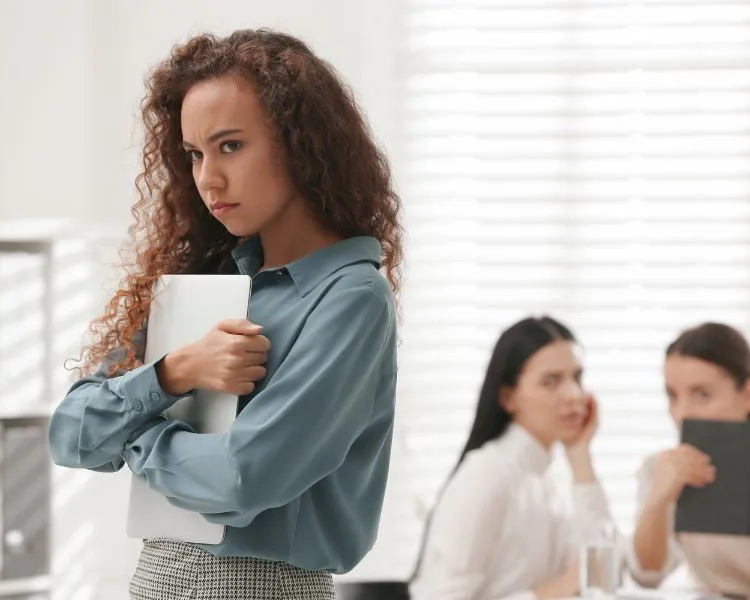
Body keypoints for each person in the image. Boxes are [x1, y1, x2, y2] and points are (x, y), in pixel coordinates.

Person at [47, 29, 402, 600]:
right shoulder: (203, 282)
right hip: (156, 580)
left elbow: (242, 478)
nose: (208, 177)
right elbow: (70, 432)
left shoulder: (351, 298)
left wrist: (136, 435)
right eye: (194, 154)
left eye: (230, 145)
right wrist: (174, 372)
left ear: (301, 142)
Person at [408, 316, 615, 600]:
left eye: (577, 378)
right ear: (508, 397)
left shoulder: (556, 475)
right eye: (551, 382)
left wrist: (580, 455)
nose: (573, 395)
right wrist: (554, 591)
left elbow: (602, 580)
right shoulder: (487, 475)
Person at [627, 322, 750, 599]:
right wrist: (659, 498)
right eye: (673, 396)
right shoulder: (665, 468)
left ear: (749, 395)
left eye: (702, 395)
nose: (682, 413)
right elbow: (647, 575)